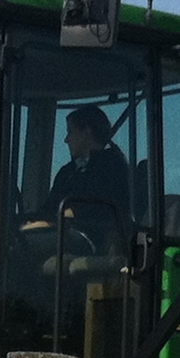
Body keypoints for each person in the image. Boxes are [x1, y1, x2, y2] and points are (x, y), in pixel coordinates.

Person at [37, 104, 131, 251]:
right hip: (59, 231)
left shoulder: (113, 166)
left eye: (70, 132)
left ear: (86, 132)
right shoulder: (66, 172)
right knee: (12, 241)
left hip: (90, 239)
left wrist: (60, 217)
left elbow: (99, 211)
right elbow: (49, 207)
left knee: (25, 247)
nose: (66, 140)